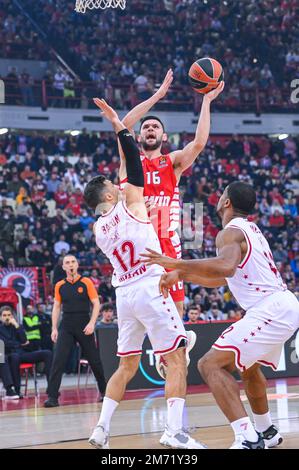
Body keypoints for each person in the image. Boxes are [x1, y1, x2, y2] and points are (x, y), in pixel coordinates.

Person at [84, 99, 205, 450]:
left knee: (126, 367)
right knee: (176, 357)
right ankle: (174, 431)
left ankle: (101, 430)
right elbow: (134, 165)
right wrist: (120, 127)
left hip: (124, 294)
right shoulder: (135, 201)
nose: (117, 183)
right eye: (113, 184)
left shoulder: (99, 228)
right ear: (110, 193)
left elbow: (128, 180)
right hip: (151, 285)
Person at [142, 181, 299, 449]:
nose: (219, 196)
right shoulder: (250, 230)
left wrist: (177, 263)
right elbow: (224, 277)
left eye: (222, 193)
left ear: (226, 202)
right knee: (248, 369)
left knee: (209, 364)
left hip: (271, 309)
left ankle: (247, 438)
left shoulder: (229, 233)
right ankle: (267, 432)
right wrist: (182, 274)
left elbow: (225, 267)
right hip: (282, 306)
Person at [94, 70, 224, 375]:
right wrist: (157, 96)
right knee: (150, 308)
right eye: (147, 127)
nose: (150, 129)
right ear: (140, 137)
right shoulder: (130, 161)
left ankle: (175, 353)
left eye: (156, 127)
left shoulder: (173, 162)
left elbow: (200, 142)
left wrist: (206, 101)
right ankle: (165, 353)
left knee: (175, 309)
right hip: (139, 243)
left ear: (163, 137)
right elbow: (122, 125)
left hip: (168, 241)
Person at [44, 255, 106, 407]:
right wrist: (54, 328)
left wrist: (92, 323)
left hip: (84, 324)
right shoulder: (60, 285)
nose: (70, 265)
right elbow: (57, 307)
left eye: (73, 262)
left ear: (77, 265)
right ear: (63, 267)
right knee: (58, 360)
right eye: (67, 263)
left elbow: (96, 304)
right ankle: (52, 396)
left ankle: (105, 392)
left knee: (94, 360)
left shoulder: (86, 282)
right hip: (66, 325)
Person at [0, 306, 52, 397]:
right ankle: (15, 390)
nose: (7, 317)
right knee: (14, 356)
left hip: (22, 354)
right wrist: (19, 344)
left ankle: (52, 386)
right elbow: (4, 344)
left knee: (47, 353)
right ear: (0, 317)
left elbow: (24, 340)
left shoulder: (17, 326)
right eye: (4, 315)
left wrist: (16, 325)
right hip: (9, 355)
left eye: (9, 315)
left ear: (12, 316)